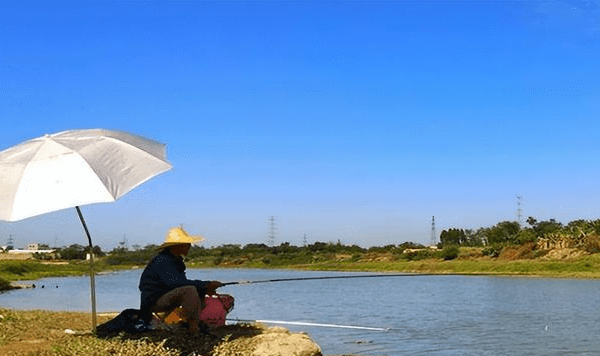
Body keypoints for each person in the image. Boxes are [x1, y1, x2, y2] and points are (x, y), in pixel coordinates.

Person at [138, 227, 223, 334]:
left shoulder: (173, 259)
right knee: (190, 290)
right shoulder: (164, 261)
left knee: (196, 289)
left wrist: (204, 288)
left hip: (162, 296)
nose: (190, 246)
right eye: (186, 244)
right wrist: (206, 285)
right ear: (177, 246)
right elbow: (177, 284)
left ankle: (191, 321)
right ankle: (192, 326)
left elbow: (179, 283)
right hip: (153, 302)